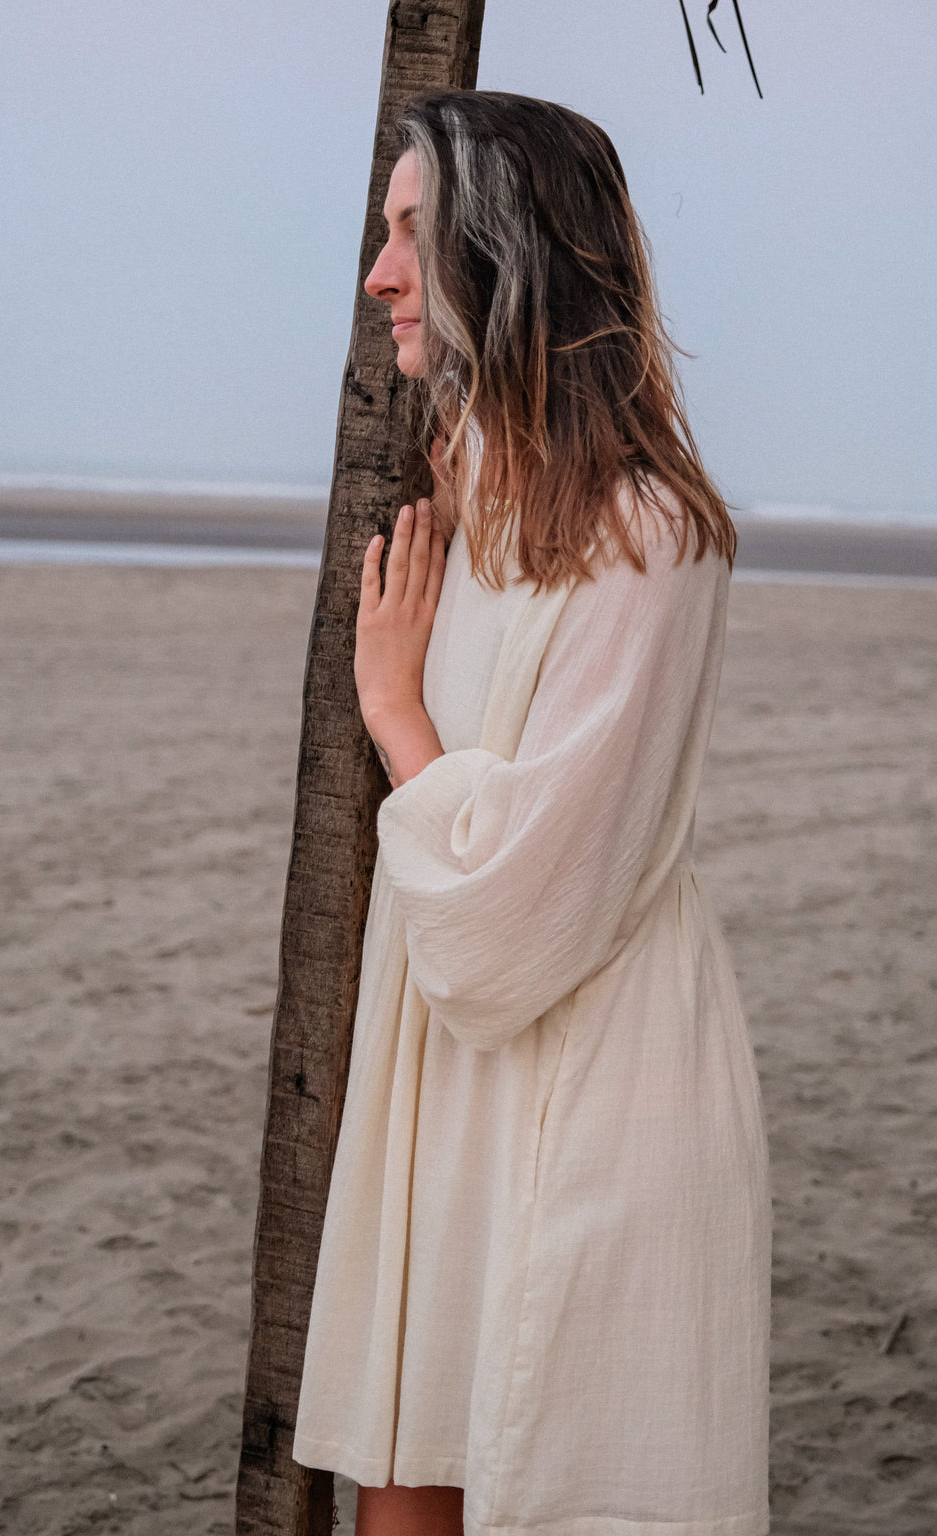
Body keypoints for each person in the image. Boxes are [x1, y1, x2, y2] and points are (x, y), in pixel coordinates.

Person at [292, 90, 770, 1536]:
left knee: (550, 1474)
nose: (378, 272)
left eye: (409, 234)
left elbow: (521, 908)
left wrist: (398, 713)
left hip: (588, 1083)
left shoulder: (650, 534)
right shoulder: (472, 487)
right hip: (437, 1077)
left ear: (508, 255)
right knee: (407, 1486)